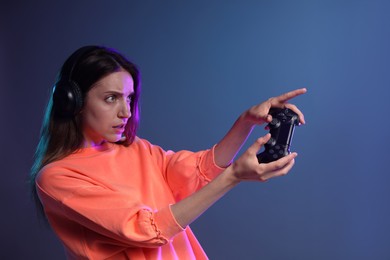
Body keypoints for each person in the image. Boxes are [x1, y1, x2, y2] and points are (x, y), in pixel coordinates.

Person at [30, 45, 306, 260]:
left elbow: (198, 171)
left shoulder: (137, 148)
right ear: (71, 102)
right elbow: (147, 230)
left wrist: (246, 121)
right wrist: (233, 177)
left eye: (129, 98)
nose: (125, 112)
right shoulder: (57, 178)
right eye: (111, 98)